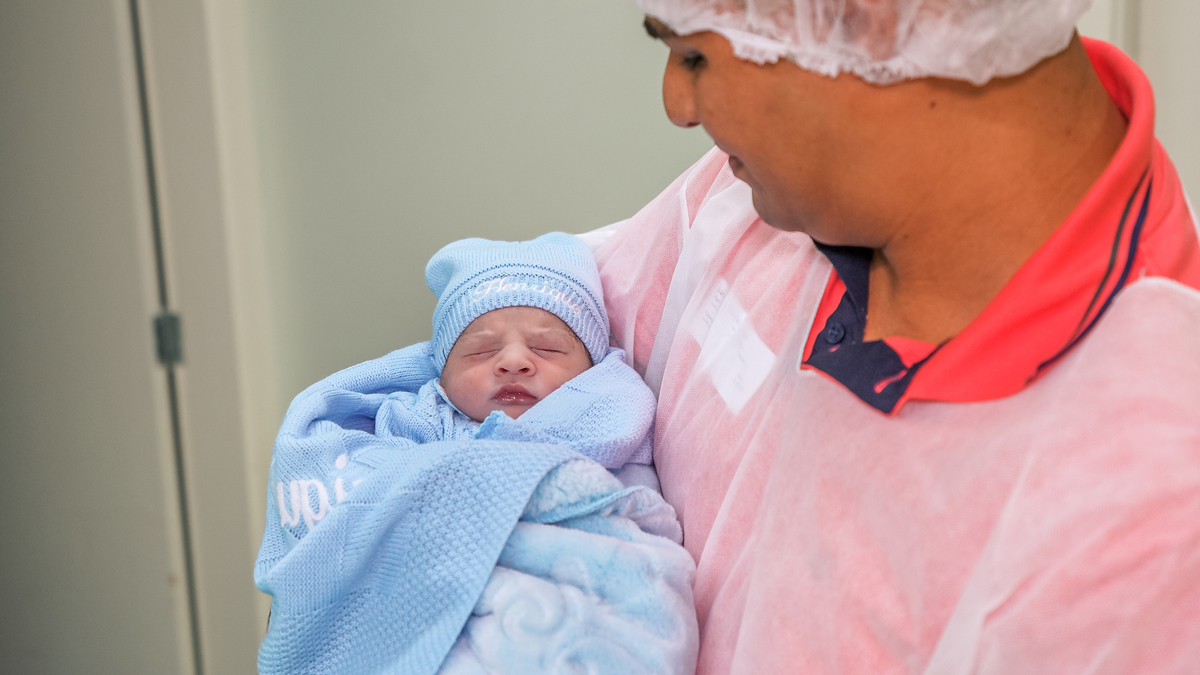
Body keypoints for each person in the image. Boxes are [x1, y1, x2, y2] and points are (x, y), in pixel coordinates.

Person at [579, 0, 1200, 672]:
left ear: (871, 15)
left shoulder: (1150, 516)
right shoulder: (786, 189)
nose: (677, 104)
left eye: (695, 56)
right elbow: (548, 326)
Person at [255, 232, 697, 674]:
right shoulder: (418, 418)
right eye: (482, 351)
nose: (514, 361)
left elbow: (625, 523)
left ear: (591, 369)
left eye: (547, 348)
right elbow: (369, 492)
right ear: (442, 375)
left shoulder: (611, 414)